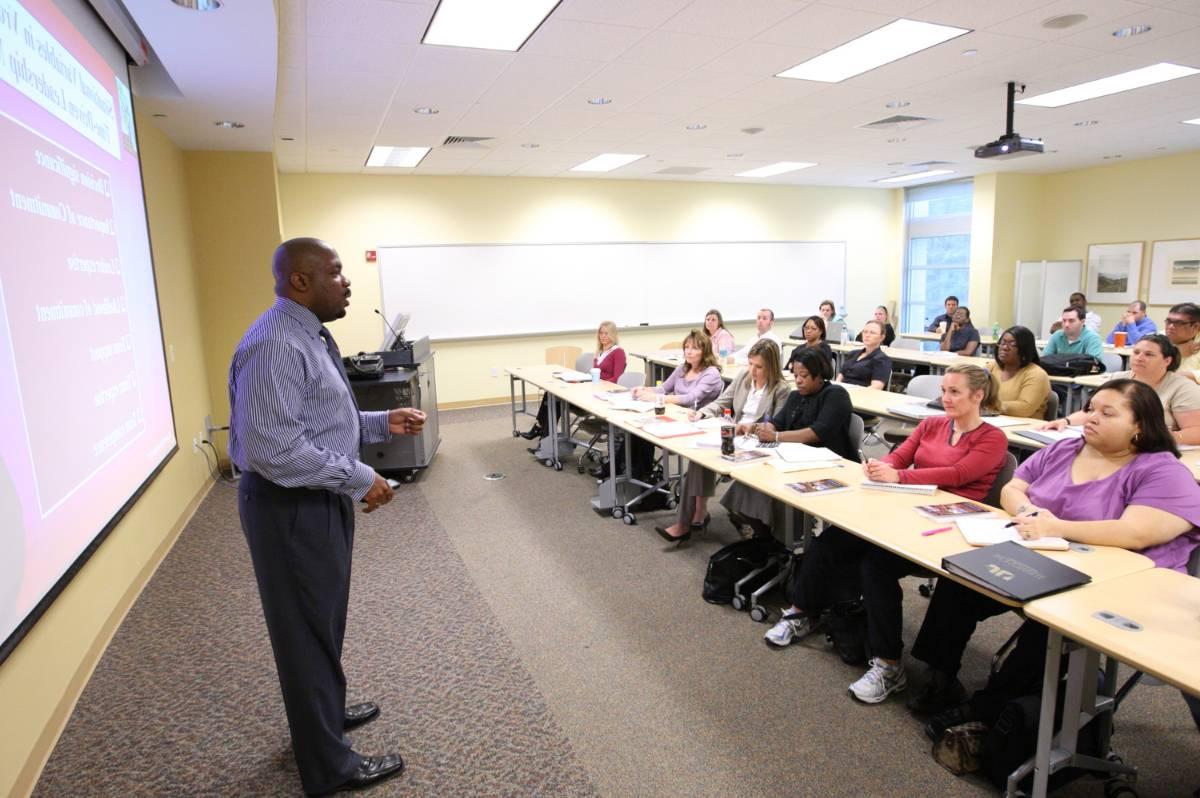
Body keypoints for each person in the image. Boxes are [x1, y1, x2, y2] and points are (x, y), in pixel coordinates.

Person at [229, 238, 425, 795]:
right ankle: (328, 767)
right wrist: (363, 477)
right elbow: (274, 450)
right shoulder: (276, 345)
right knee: (306, 632)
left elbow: (320, 420)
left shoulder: (307, 333)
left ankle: (322, 719)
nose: (347, 283)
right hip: (289, 507)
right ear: (300, 282)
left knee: (320, 623)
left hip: (313, 500)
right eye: (337, 273)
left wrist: (384, 421)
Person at [909, 379, 1200, 723]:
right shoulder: (1065, 449)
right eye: (1090, 409)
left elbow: (1136, 532)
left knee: (1051, 623)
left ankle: (988, 710)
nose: (1091, 418)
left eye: (1108, 413)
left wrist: (1056, 527)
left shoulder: (1163, 471)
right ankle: (940, 678)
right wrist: (1026, 513)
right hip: (1044, 558)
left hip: (1115, 583)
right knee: (960, 581)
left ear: (1140, 426)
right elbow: (1014, 487)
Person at [764, 365, 1008, 706]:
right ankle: (801, 612)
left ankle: (889, 666)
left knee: (875, 567)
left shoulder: (992, 438)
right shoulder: (932, 424)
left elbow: (958, 474)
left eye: (955, 391)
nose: (945, 398)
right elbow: (901, 455)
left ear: (978, 395)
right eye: (944, 390)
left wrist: (899, 477)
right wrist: (883, 467)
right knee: (830, 542)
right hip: (908, 508)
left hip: (950, 528)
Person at [654, 340, 790, 543]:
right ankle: (686, 522)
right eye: (750, 364)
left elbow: (776, 427)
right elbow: (722, 401)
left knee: (704, 460)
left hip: (756, 443)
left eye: (759, 367)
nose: (753, 370)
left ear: (771, 366)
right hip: (733, 435)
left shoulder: (781, 389)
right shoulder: (744, 377)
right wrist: (701, 414)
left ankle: (694, 521)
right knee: (698, 459)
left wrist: (749, 428)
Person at [721, 347, 857, 538]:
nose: (799, 380)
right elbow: (777, 422)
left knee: (771, 490)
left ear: (819, 375)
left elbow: (816, 433)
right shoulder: (795, 396)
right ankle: (769, 540)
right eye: (795, 375)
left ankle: (783, 540)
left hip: (828, 465)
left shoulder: (835, 394)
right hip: (792, 460)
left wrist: (776, 437)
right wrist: (763, 428)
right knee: (748, 484)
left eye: (804, 375)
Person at [1042, 333, 1200, 446]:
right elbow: (1092, 412)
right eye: (1136, 352)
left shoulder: (1182, 388)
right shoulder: (1118, 379)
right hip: (1111, 442)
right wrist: (1065, 421)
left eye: (1149, 354)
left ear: (1167, 360)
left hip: (1154, 449)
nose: (1139, 358)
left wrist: (1160, 438)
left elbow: (1196, 431)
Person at [520, 320, 626, 441]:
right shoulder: (600, 351)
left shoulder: (618, 352)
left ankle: (543, 436)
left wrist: (597, 383)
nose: (603, 336)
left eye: (606, 333)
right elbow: (596, 373)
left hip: (603, 394)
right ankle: (541, 431)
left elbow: (617, 379)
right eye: (601, 333)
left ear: (612, 335)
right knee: (551, 394)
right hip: (592, 389)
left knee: (556, 399)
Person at [633, 329, 723, 407]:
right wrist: (643, 390)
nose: (688, 352)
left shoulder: (711, 373)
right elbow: (663, 389)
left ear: (705, 352)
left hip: (697, 418)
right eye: (687, 347)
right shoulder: (682, 368)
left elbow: (691, 399)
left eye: (695, 348)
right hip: (678, 412)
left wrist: (656, 398)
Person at [986, 325, 1051, 419]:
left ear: (1024, 349)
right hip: (994, 420)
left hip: (1026, 426)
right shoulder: (991, 367)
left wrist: (990, 406)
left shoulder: (1036, 374)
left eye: (1012, 344)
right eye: (1002, 342)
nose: (1004, 347)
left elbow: (1025, 408)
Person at [837, 320, 892, 389]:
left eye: (872, 333)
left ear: (882, 337)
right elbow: (840, 377)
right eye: (865, 332)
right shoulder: (853, 353)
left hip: (862, 395)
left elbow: (876, 387)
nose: (867, 335)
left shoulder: (882, 360)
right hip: (842, 391)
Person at [1164, 302, 1200, 377]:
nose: (1170, 326)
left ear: (1196, 326)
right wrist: (1176, 352)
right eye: (1168, 321)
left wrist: (1170, 377)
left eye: (1178, 323)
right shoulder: (1160, 337)